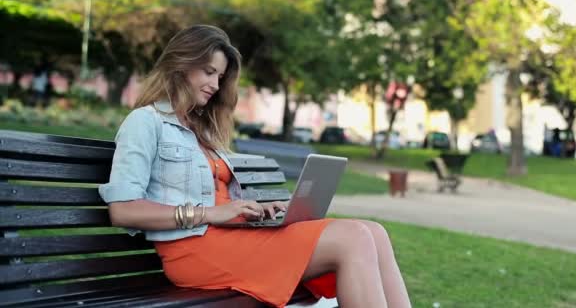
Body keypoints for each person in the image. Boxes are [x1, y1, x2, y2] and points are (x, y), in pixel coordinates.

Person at [99, 25, 412, 308]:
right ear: (180, 65)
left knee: (375, 232)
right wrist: (209, 214)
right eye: (208, 72)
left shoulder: (204, 131)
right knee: (353, 236)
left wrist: (253, 209)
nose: (214, 84)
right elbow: (123, 210)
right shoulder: (145, 122)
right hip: (193, 249)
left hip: (230, 238)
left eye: (219, 77)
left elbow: (217, 197)